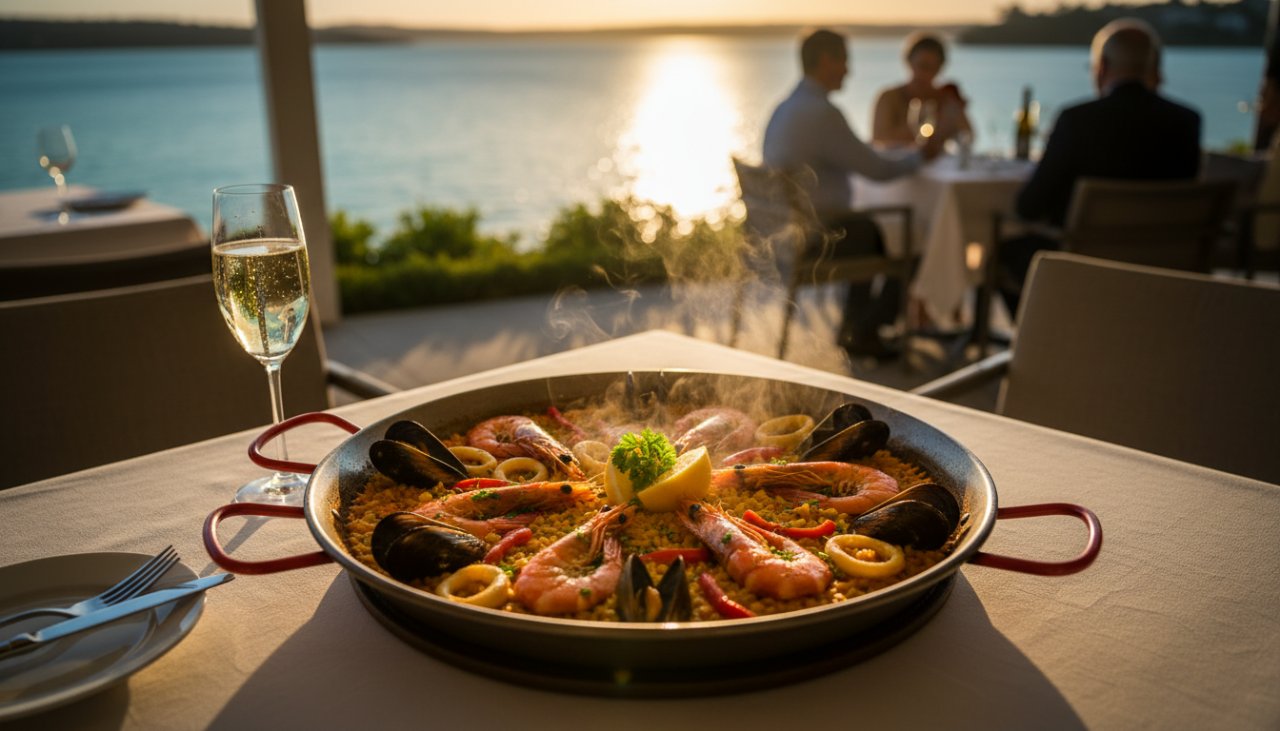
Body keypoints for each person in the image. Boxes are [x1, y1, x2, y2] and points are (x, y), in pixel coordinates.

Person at [763, 28, 947, 359]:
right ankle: (866, 330)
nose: (849, 70)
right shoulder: (823, 113)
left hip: (784, 237)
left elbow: (859, 158)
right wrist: (921, 156)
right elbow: (877, 170)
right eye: (844, 61)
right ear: (825, 61)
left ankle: (855, 328)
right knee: (913, 235)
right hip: (818, 241)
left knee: (871, 229)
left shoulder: (786, 108)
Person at [997, 18, 1202, 314]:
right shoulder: (1186, 121)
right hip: (1164, 267)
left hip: (1084, 266)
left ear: (1102, 66)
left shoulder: (1076, 121)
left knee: (1000, 249)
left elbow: (1029, 207)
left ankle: (1042, 344)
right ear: (1152, 67)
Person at [872, 33, 973, 147]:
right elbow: (878, 140)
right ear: (909, 62)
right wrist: (926, 125)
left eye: (933, 68)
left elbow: (968, 136)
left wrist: (956, 112)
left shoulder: (945, 98)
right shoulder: (889, 97)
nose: (926, 74)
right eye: (922, 66)